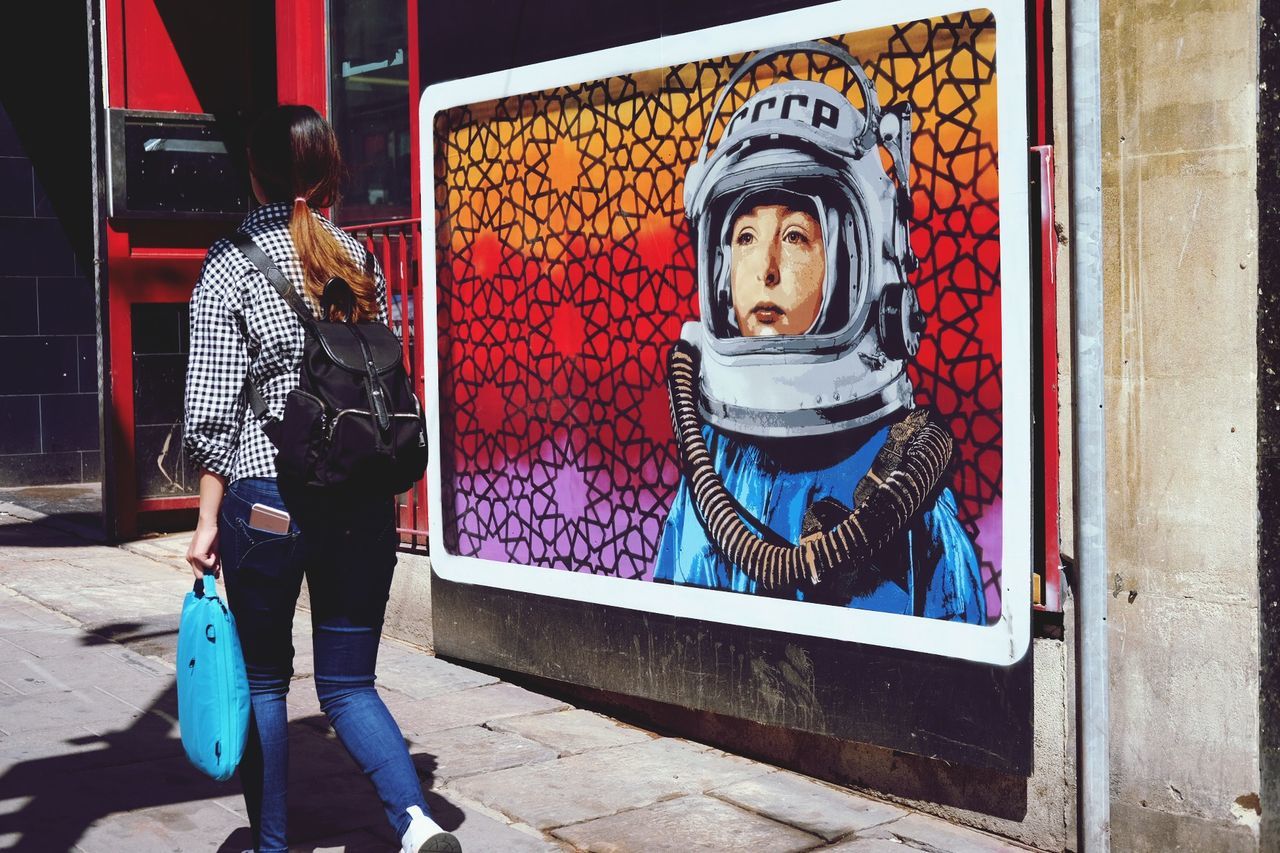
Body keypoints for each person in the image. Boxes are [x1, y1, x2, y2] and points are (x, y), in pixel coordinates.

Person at [182, 104, 461, 853]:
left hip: (267, 503)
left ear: (255, 170)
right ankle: (415, 822)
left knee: (266, 682)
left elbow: (213, 411)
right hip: (360, 504)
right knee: (348, 684)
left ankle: (274, 846)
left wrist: (208, 521)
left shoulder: (231, 259)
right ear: (329, 170)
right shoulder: (354, 256)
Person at [653, 43, 986, 623]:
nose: (765, 270)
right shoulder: (711, 477)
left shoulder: (905, 488)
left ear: (855, 265)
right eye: (746, 238)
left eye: (796, 237)